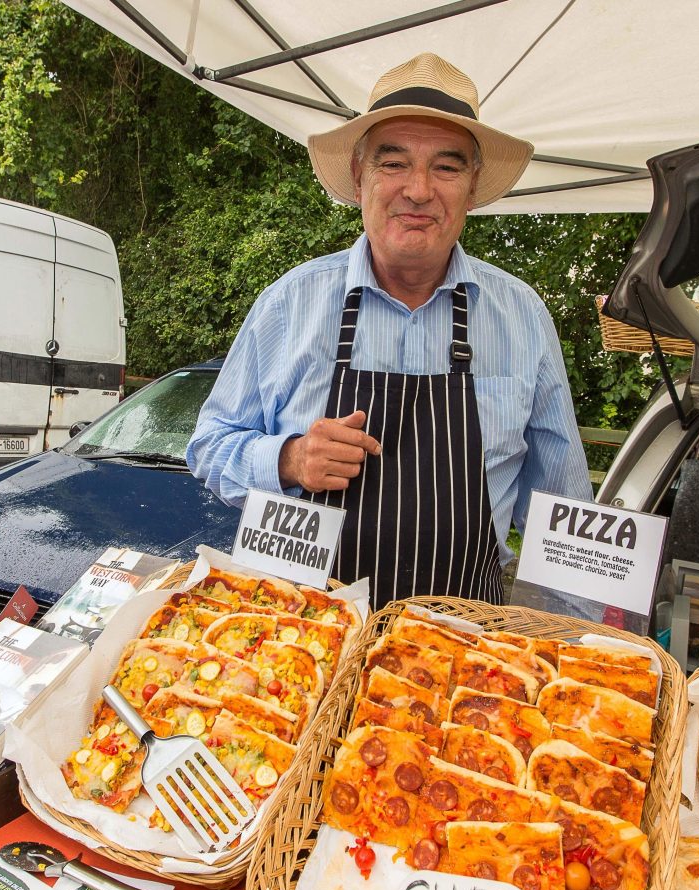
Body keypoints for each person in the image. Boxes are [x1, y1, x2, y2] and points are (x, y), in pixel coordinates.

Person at [187, 52, 592, 608]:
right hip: (298, 642)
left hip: (460, 657)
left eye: (446, 168)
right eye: (393, 163)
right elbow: (208, 446)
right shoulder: (290, 303)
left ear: (472, 189)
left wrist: (576, 655)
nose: (419, 190)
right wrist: (291, 459)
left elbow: (561, 509)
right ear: (359, 177)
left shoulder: (522, 316)